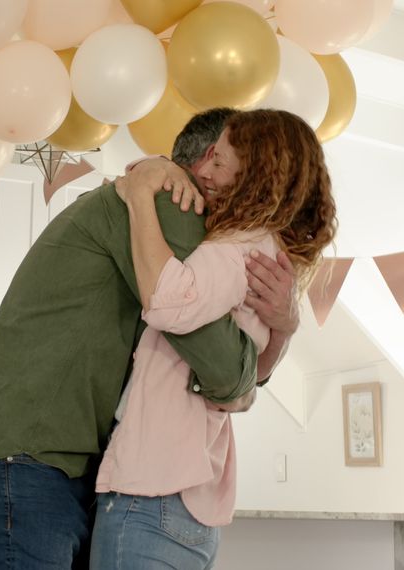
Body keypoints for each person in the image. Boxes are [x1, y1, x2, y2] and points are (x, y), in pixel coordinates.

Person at [0, 108, 299, 569]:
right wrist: (276, 336)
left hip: (41, 455)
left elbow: (229, 379)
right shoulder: (170, 205)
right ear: (207, 159)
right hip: (29, 454)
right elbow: (227, 373)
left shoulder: (158, 205)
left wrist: (282, 328)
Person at [89, 109, 337, 569]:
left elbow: (169, 304)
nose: (203, 171)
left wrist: (141, 195)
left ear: (256, 174)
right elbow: (247, 379)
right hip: (194, 505)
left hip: (153, 490)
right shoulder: (271, 252)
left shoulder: (238, 244)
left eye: (219, 161)